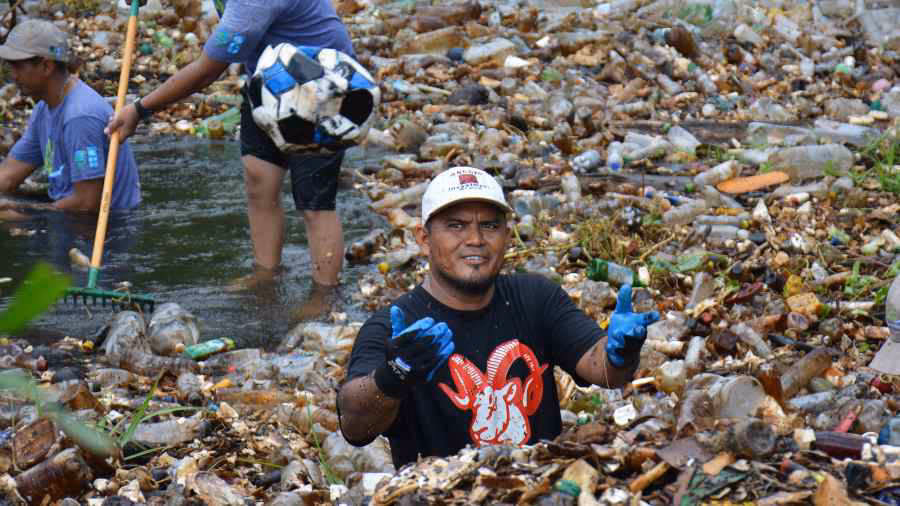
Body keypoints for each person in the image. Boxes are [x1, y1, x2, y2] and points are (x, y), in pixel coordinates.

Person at [337, 166, 661, 469]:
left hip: (535, 486)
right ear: (424, 239)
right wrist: (394, 375)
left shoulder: (535, 298)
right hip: (437, 493)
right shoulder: (395, 325)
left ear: (507, 235)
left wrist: (623, 351)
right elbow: (355, 427)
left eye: (489, 225)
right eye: (456, 225)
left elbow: (601, 368)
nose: (476, 239)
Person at [105, 0, 356, 317]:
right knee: (258, 177)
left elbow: (206, 71)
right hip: (269, 78)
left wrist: (140, 110)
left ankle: (325, 294)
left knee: (314, 200)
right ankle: (266, 273)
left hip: (320, 83)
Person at [0, 19, 141, 213]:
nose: (13, 76)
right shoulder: (44, 108)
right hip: (69, 213)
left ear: (46, 66)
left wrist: (27, 211)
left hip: (106, 228)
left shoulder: (79, 117)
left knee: (11, 214)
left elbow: (87, 203)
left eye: (18, 67)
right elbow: (7, 177)